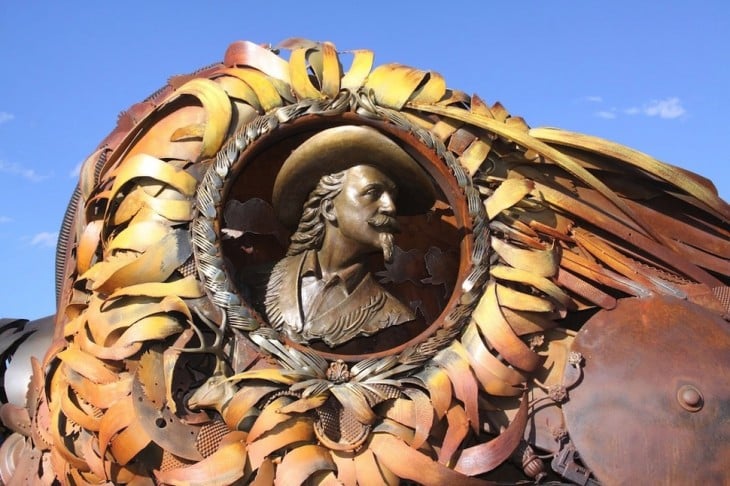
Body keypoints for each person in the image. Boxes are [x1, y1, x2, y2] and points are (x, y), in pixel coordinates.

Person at [265, 125, 436, 347]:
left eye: (392, 196)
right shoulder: (261, 281)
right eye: (373, 193)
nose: (390, 207)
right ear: (328, 208)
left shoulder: (393, 318)